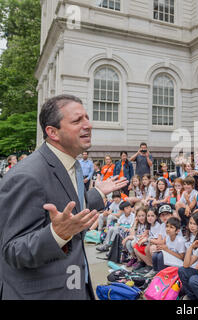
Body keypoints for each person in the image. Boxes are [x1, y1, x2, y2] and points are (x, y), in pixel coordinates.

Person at [0, 94, 127, 299]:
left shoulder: (72, 165)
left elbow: (68, 208)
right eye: (77, 120)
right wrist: (57, 235)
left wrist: (96, 194)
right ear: (53, 132)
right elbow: (13, 250)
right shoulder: (26, 176)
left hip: (75, 286)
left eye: (86, 118)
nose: (88, 125)